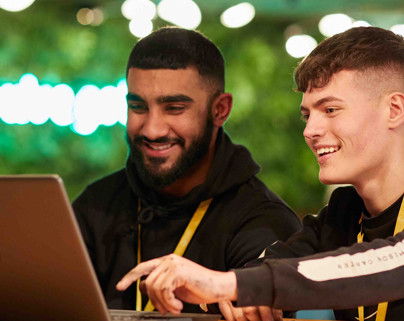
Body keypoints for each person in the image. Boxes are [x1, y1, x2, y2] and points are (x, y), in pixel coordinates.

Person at [116, 26, 404, 321]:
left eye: (330, 110)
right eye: (307, 115)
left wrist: (230, 284)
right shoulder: (342, 215)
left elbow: (387, 263)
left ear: (394, 109)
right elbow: (255, 276)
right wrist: (217, 287)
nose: (310, 130)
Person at [73, 27, 302, 314]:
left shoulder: (263, 221)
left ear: (220, 110)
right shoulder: (95, 205)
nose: (153, 129)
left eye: (174, 108)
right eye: (138, 106)